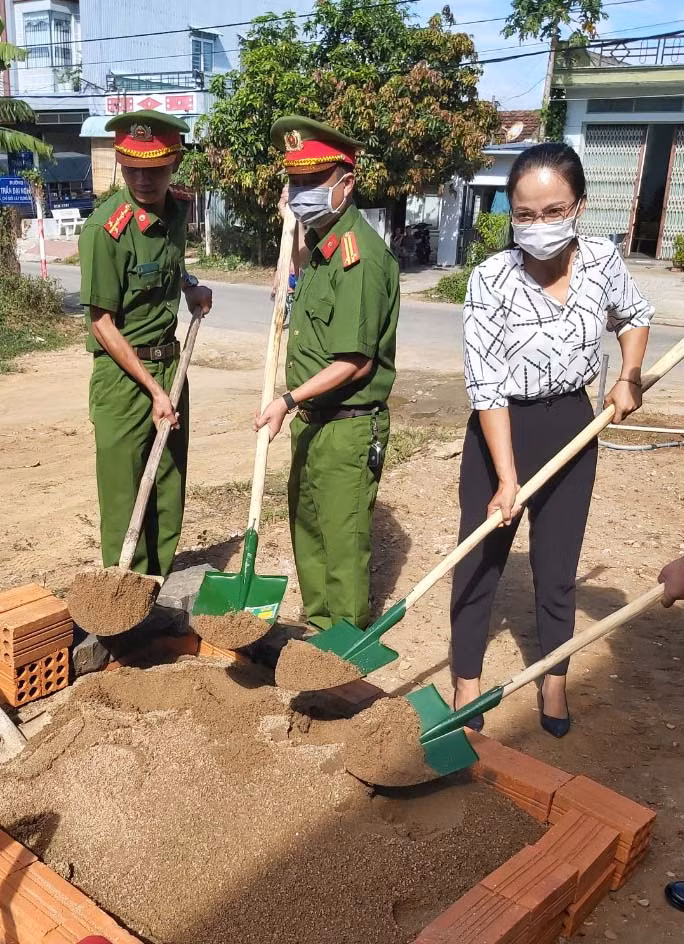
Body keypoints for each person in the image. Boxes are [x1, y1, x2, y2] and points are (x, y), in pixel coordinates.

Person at [450, 142, 653, 736]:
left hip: (572, 424)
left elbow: (634, 316)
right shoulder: (490, 279)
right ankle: (467, 679)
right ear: (511, 213)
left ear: (579, 206)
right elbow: (485, 385)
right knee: (480, 558)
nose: (538, 226)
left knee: (557, 563)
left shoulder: (601, 262)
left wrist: (628, 378)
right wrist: (507, 479)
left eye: (553, 212)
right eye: (525, 215)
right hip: (500, 430)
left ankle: (554, 677)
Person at [254, 115, 400, 631]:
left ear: (346, 183)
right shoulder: (320, 247)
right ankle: (317, 629)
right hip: (312, 420)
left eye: (313, 183)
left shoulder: (359, 259)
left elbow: (354, 361)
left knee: (342, 541)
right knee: (308, 531)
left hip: (346, 424)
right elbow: (296, 286)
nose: (303, 193)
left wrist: (287, 400)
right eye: (295, 183)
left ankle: (344, 644)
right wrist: (290, 230)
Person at [79, 110, 212, 578]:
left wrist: (190, 285)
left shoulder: (175, 211)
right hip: (122, 379)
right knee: (125, 491)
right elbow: (102, 324)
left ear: (173, 162)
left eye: (154, 167)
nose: (143, 178)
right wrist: (153, 391)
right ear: (119, 161)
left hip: (170, 365)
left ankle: (159, 582)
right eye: (132, 167)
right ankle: (124, 594)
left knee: (169, 483)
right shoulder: (105, 229)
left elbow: (167, 267)